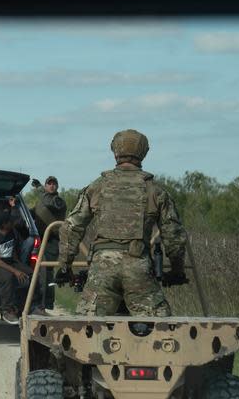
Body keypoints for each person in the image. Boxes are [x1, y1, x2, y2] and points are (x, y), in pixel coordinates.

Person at [56, 130, 189, 317]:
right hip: (138, 269)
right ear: (143, 152)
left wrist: (65, 266)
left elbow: (71, 227)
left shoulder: (97, 187)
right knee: (160, 330)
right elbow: (174, 235)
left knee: (85, 331)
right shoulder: (155, 191)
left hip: (101, 270)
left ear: (115, 151)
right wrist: (177, 271)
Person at [22, 175, 66, 312]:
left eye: (54, 184)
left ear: (57, 187)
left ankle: (47, 303)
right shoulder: (41, 201)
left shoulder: (58, 201)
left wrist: (40, 189)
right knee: (37, 272)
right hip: (40, 240)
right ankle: (36, 302)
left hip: (51, 241)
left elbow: (49, 204)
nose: (52, 186)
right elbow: (33, 213)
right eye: (49, 184)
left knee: (47, 272)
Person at [0, 210, 29, 322]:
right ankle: (6, 310)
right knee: (8, 277)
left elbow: (14, 251)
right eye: (10, 221)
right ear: (4, 224)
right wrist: (15, 271)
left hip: (10, 262)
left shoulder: (12, 232)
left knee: (33, 273)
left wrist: (19, 266)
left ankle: (34, 306)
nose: (13, 223)